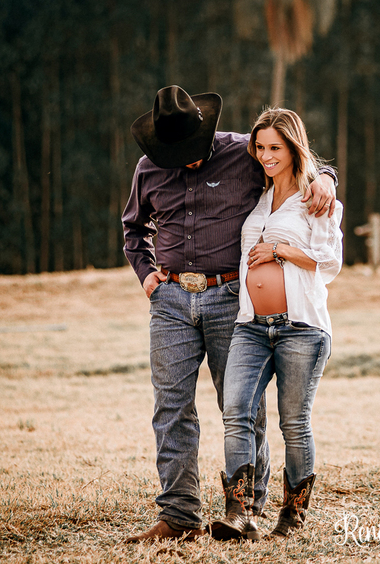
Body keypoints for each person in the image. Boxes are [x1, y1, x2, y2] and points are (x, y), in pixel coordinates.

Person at [121, 86, 337, 543]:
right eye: (178, 154)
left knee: (240, 405)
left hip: (228, 298)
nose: (190, 161)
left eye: (195, 150)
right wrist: (146, 276)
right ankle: (179, 513)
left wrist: (327, 179)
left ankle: (247, 510)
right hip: (173, 299)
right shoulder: (148, 170)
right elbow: (133, 229)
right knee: (171, 406)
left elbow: (293, 162)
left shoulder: (243, 151)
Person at [211, 107, 342, 542]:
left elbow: (330, 263)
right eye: (261, 148)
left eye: (276, 148)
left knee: (293, 423)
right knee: (236, 412)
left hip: (301, 328)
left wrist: (280, 250)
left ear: (293, 148)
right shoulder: (258, 199)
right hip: (250, 326)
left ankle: (293, 515)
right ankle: (239, 512)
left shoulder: (316, 199)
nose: (266, 156)